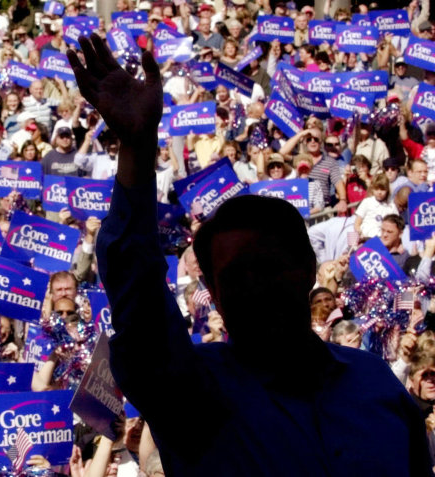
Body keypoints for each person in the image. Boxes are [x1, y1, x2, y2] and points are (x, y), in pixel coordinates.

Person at [68, 33, 432, 476]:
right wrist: (139, 150)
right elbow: (136, 286)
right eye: (236, 276)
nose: (256, 287)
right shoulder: (193, 393)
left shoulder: (375, 385)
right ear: (215, 296)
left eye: (269, 266)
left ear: (306, 269)